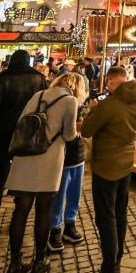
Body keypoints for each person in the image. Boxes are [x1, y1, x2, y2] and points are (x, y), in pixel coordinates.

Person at [3, 71, 79, 273]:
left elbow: (22, 121)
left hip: (25, 157)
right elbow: (69, 134)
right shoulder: (70, 100)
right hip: (48, 159)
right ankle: (39, 260)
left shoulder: (38, 95)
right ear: (73, 86)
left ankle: (15, 262)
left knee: (20, 210)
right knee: (43, 211)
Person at [0, 49, 47, 242]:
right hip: (29, 135)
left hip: (5, 135)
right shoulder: (39, 78)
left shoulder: (4, 78)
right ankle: (18, 218)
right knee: (26, 178)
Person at [82, 64, 136, 273]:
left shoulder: (109, 104)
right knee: (120, 212)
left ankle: (109, 266)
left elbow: (87, 129)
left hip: (106, 165)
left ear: (110, 82)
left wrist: (93, 109)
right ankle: (117, 257)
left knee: (105, 216)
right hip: (126, 163)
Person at [48, 73, 90, 254]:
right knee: (60, 193)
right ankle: (55, 228)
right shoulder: (67, 103)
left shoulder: (79, 105)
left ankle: (69, 224)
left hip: (77, 155)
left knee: (73, 192)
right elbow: (69, 133)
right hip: (64, 153)